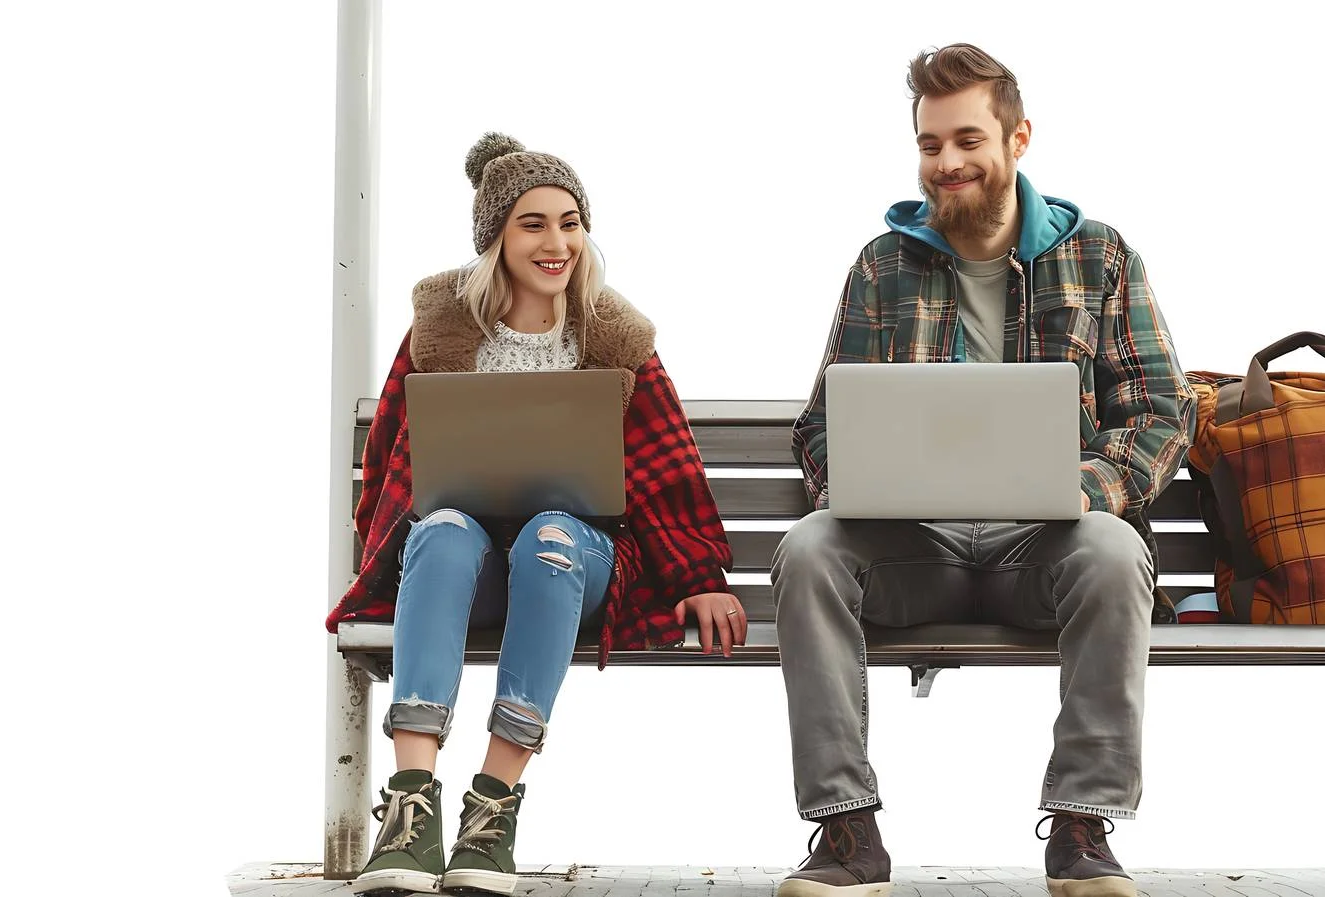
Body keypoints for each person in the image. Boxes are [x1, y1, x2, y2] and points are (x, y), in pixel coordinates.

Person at [770, 45, 1194, 897]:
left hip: (1042, 553)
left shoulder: (1100, 257)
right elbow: (820, 425)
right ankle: (848, 833)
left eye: (967, 139)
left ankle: (1082, 828)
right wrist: (853, 483)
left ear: (1017, 138)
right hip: (913, 553)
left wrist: (1083, 490)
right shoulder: (881, 266)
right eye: (930, 144)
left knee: (1114, 552)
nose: (947, 162)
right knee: (809, 549)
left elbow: (1161, 413)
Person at [325, 133, 744, 897]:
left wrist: (699, 577)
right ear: (496, 238)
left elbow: (667, 470)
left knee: (550, 536)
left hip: (573, 563)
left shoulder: (614, 336)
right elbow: (388, 457)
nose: (557, 243)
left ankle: (492, 809)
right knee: (441, 531)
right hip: (470, 570)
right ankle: (412, 811)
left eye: (570, 222)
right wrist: (391, 548)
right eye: (534, 224)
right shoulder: (442, 332)